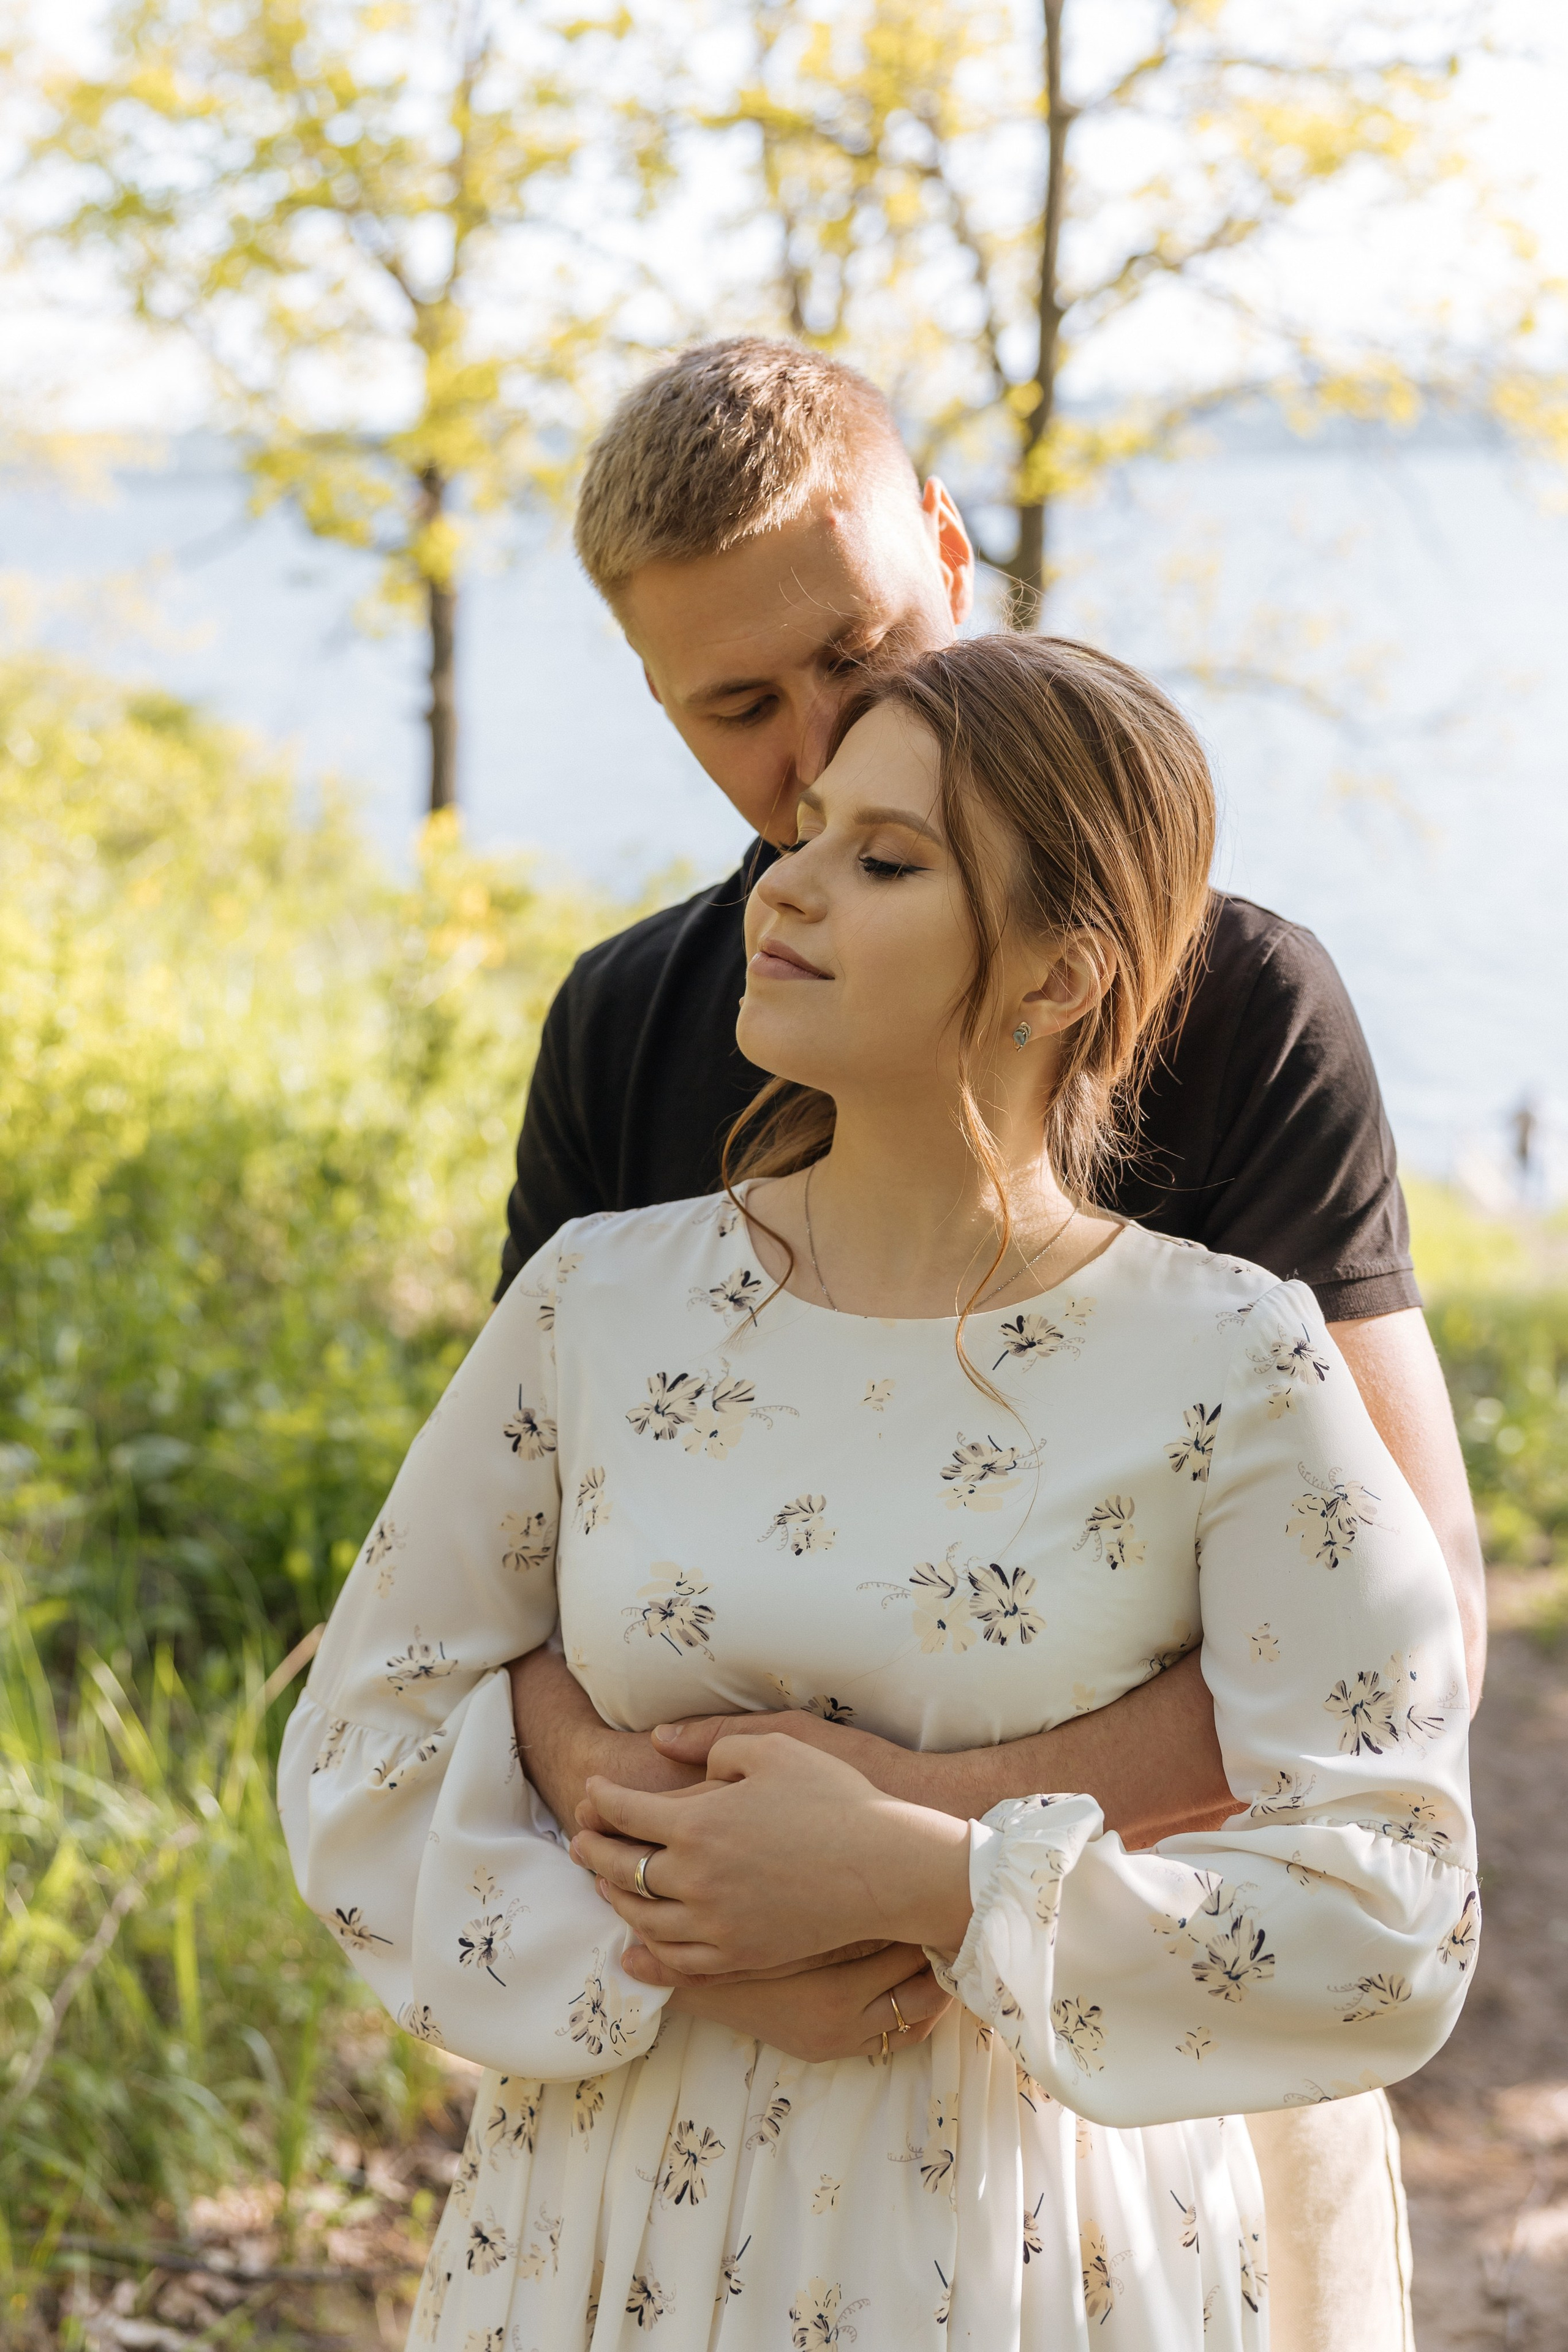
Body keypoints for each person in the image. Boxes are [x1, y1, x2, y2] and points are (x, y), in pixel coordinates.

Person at [279, 634, 1477, 2350]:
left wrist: (931, 1882)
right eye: (812, 830)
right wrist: (671, 1925)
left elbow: (1390, 1902)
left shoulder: (1233, 1361)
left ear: (1063, 975)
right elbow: (368, 1725)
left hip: (1030, 2247)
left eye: (886, 859)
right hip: (616, 2222)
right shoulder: (596, 1304)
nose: (793, 883)